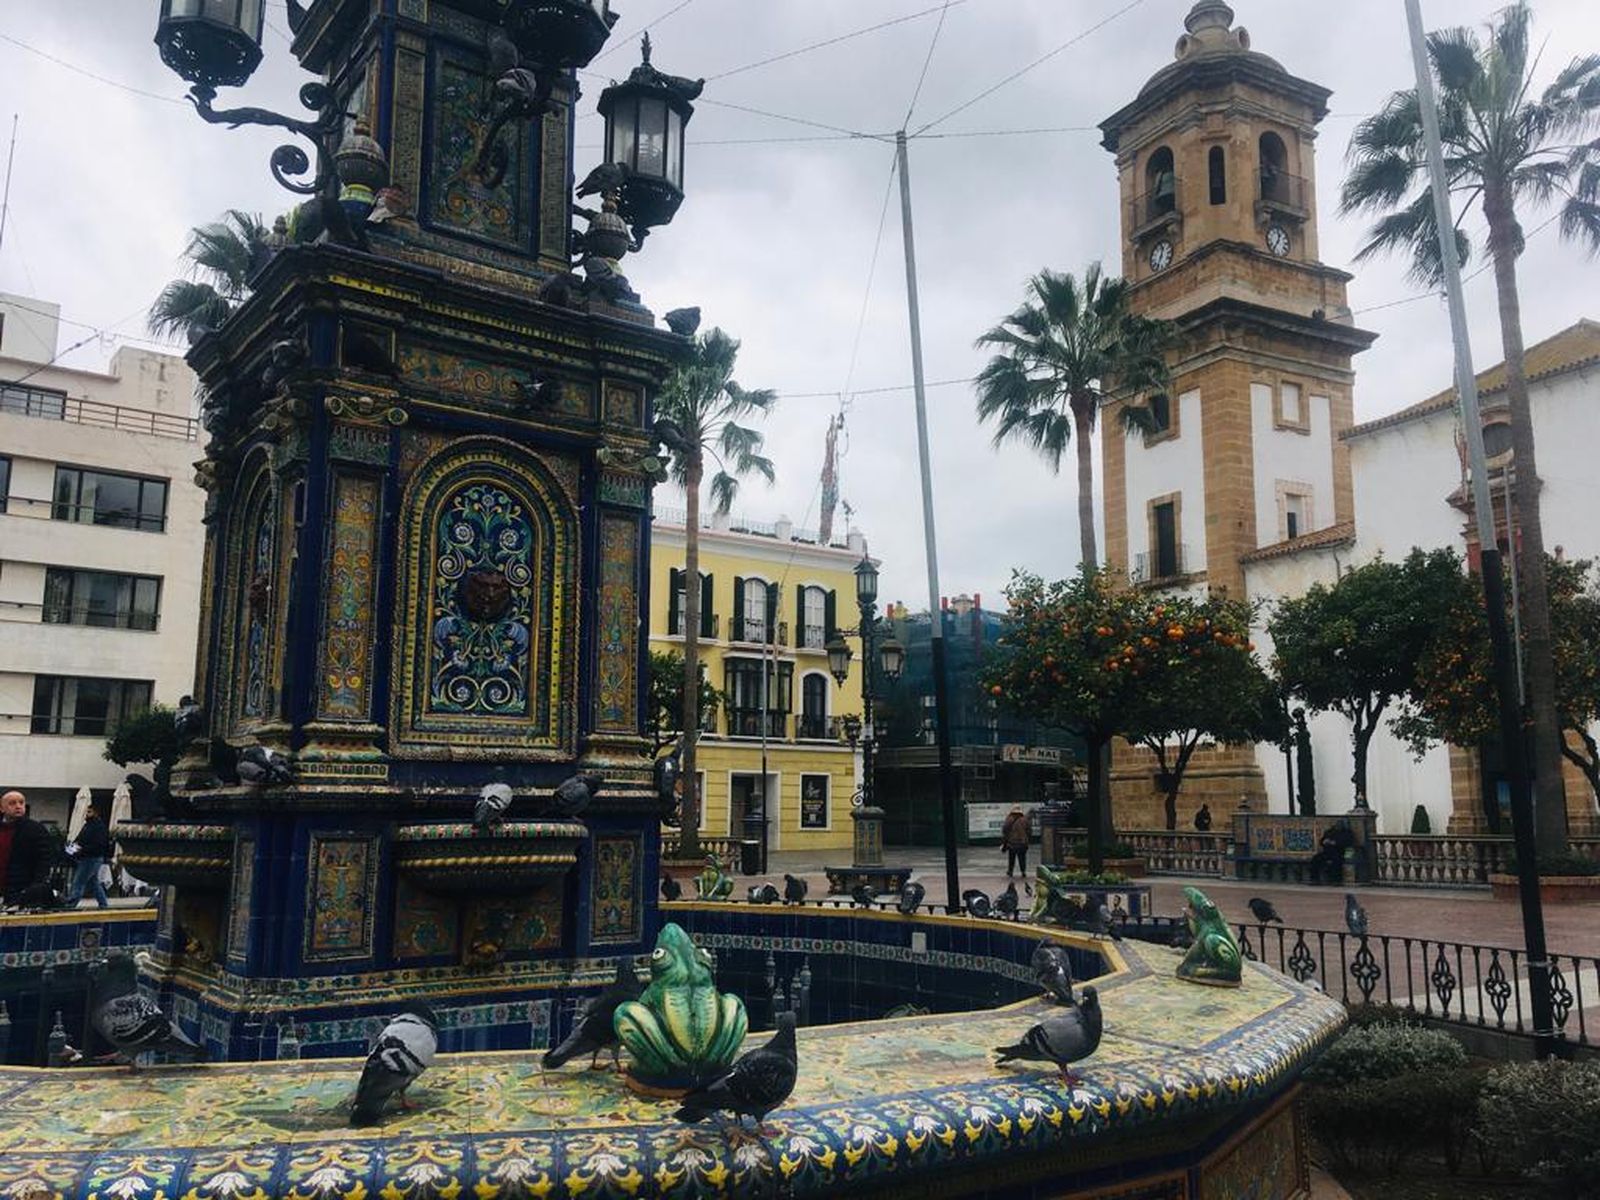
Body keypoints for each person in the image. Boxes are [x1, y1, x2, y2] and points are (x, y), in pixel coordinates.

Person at [1, 790, 56, 907]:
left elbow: (45, 858)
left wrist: (36, 885)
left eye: (21, 803)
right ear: (2, 808)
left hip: (21, 887)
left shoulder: (34, 829)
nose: (18, 806)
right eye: (12, 803)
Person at [66, 800, 111, 909]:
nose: (87, 814)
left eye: (89, 812)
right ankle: (103, 904)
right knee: (93, 883)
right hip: (88, 857)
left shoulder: (97, 827)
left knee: (78, 882)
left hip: (91, 858)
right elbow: (80, 839)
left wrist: (81, 849)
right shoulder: (88, 825)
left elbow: (99, 845)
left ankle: (71, 905)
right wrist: (73, 846)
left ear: (96, 813)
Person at [1308, 820, 1356, 885]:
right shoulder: (1330, 832)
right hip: (1327, 852)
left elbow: (1348, 842)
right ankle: (1314, 879)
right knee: (1316, 859)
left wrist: (1335, 843)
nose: (1338, 826)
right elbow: (1322, 841)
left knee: (1336, 861)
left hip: (1339, 852)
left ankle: (1336, 880)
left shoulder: (1347, 833)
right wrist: (1324, 842)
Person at [1001, 806, 1031, 878]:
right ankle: (1023, 871)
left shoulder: (1009, 819)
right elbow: (1029, 831)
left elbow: (1004, 830)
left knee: (1011, 858)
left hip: (1012, 842)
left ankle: (1010, 871)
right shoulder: (1025, 819)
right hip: (1022, 843)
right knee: (1022, 858)